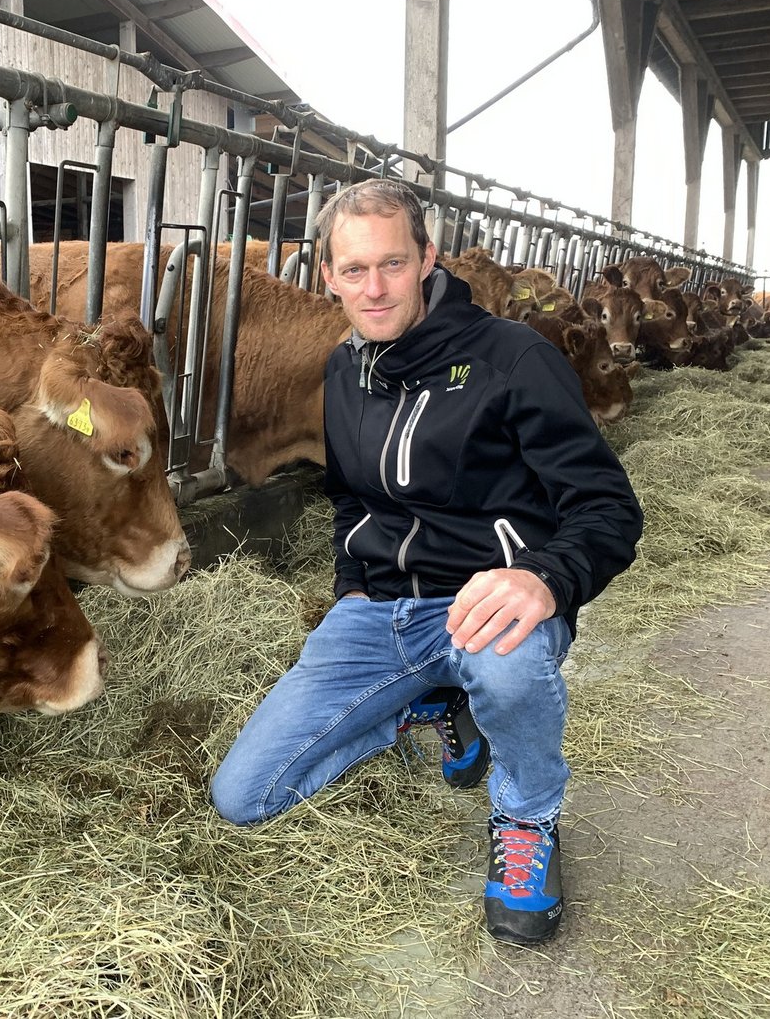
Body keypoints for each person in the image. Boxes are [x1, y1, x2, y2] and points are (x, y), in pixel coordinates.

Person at [210, 178, 643, 945]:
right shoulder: (346, 370)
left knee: (510, 669)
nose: (373, 289)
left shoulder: (514, 359)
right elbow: (348, 498)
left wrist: (544, 578)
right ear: (328, 275)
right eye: (353, 270)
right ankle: (431, 709)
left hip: (487, 605)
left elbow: (609, 510)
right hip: (381, 613)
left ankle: (525, 819)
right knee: (244, 796)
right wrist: (350, 587)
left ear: (428, 260)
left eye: (392, 264)